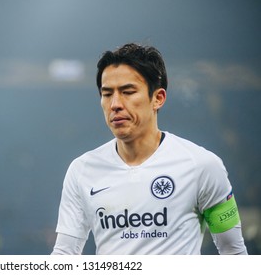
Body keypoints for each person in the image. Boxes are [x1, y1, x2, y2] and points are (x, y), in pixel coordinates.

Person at [51, 42, 247, 255]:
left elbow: (234, 254)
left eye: (128, 91)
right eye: (107, 94)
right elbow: (64, 255)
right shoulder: (81, 170)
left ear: (158, 98)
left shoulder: (202, 165)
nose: (115, 103)